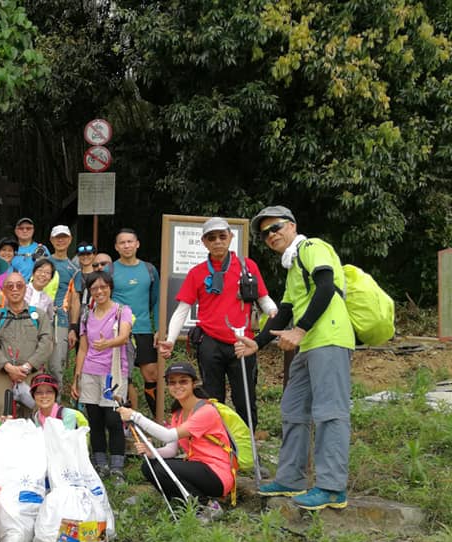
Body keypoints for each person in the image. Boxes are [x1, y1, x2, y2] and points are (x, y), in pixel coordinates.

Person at [235, 205, 353, 511]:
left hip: (328, 338)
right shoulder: (292, 267)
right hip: (308, 344)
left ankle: (331, 488)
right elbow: (284, 310)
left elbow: (326, 287)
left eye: (275, 228)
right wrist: (257, 343)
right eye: (264, 234)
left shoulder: (312, 247)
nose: (270, 236)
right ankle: (291, 479)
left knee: (330, 412)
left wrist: (299, 331)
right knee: (293, 408)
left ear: (292, 226)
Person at [158, 217, 277, 428]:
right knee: (213, 399)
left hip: (242, 343)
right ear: (204, 242)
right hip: (210, 342)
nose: (218, 241)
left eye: (222, 236)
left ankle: (247, 448)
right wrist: (170, 340)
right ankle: (217, 446)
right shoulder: (197, 272)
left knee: (245, 399)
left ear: (231, 237)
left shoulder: (247, 266)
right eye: (211, 238)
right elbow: (182, 308)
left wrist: (277, 316)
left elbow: (263, 298)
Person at [118, 362, 232, 523]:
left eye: (183, 381)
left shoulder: (206, 411)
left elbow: (167, 435)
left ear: (194, 383)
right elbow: (171, 450)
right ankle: (185, 505)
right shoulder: (178, 414)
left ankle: (207, 506)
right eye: (172, 382)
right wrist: (152, 453)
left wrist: (135, 416)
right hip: (197, 467)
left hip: (217, 473)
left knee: (165, 469)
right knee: (149, 466)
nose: (177, 386)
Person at [71, 271, 134, 480]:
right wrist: (76, 378)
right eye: (94, 288)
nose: (99, 291)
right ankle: (100, 464)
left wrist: (107, 343)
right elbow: (83, 349)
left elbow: (124, 337)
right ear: (90, 291)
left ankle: (117, 465)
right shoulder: (87, 315)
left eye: (103, 287)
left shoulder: (122, 311)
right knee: (95, 419)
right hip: (90, 371)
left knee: (113, 419)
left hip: (114, 372)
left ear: (110, 288)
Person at [0, 272, 53, 420]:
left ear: (25, 289)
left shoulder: (40, 316)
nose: (15, 289)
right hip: (3, 373)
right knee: (0, 412)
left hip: (32, 373)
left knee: (34, 414)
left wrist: (26, 367)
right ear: (4, 290)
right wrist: (9, 368)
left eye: (19, 285)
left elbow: (47, 343)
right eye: (10, 286)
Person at [111, 229, 160, 415]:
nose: (126, 245)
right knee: (124, 378)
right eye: (122, 242)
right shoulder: (111, 270)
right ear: (116, 247)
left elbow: (157, 301)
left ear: (137, 244)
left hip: (144, 330)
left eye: (130, 241)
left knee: (152, 374)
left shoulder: (149, 269)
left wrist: (159, 328)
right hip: (119, 332)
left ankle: (158, 418)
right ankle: (127, 421)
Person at [46, 225, 80, 386]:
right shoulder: (42, 263)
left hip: (61, 320)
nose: (60, 240)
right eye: (57, 237)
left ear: (70, 239)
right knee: (37, 365)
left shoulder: (74, 269)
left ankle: (55, 406)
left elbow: (74, 300)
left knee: (56, 366)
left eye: (64, 237)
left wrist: (73, 327)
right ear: (51, 240)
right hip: (39, 318)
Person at [66, 242, 97, 353]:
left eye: (88, 254)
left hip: (97, 319)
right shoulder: (75, 275)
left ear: (94, 255)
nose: (85, 257)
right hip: (79, 319)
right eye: (82, 255)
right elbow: (72, 301)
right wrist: (73, 327)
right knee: (81, 353)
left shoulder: (100, 275)